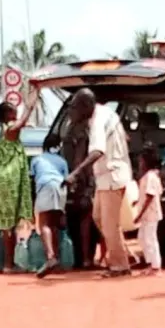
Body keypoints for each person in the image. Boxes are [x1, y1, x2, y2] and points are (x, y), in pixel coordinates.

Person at [64, 88, 132, 278]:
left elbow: (97, 151)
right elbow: (125, 137)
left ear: (86, 106)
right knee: (99, 218)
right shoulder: (105, 112)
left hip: (112, 176)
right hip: (106, 177)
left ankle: (120, 266)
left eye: (75, 108)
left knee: (109, 224)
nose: (73, 112)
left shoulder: (97, 122)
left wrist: (76, 173)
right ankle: (123, 255)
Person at [0, 89, 39, 273]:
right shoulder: (10, 131)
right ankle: (8, 265)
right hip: (7, 181)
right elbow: (21, 124)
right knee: (7, 224)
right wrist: (30, 105)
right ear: (7, 115)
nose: (16, 116)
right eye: (14, 113)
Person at [31, 133, 69, 278]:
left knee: (44, 224)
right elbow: (66, 178)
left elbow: (34, 178)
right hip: (60, 188)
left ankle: (50, 256)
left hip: (45, 187)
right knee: (56, 224)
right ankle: (59, 259)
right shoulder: (61, 160)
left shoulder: (37, 159)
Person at [62, 115, 98, 269]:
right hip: (83, 183)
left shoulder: (68, 141)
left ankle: (79, 259)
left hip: (73, 183)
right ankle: (85, 259)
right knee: (85, 221)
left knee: (75, 222)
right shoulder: (85, 145)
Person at [134, 143, 163, 276]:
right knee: (142, 238)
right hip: (148, 214)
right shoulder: (149, 176)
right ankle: (151, 263)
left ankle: (156, 266)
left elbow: (150, 196)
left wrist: (139, 213)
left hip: (150, 214)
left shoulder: (150, 177)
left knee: (150, 238)